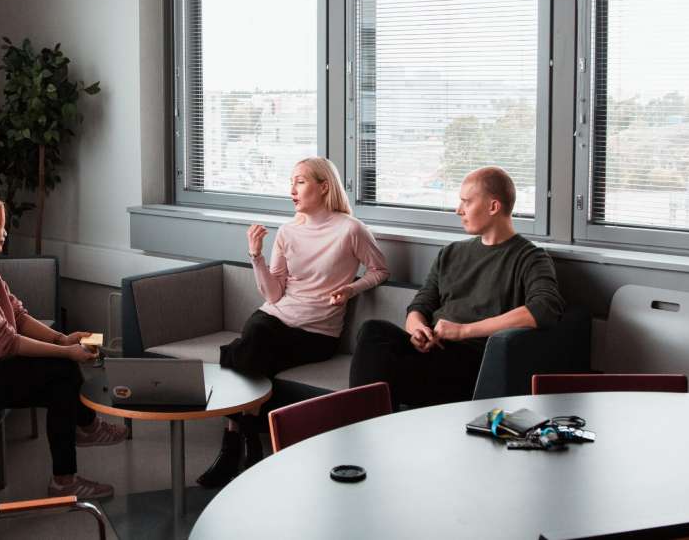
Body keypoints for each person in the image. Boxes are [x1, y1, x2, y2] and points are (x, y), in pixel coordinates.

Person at [198, 157, 390, 488]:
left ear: (324, 186)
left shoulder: (350, 230)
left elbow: (381, 270)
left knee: (238, 352)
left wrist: (351, 289)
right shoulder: (288, 232)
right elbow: (273, 295)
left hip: (317, 333)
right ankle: (245, 442)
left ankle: (234, 447)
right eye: (291, 182)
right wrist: (256, 255)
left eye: (300, 181)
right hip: (276, 318)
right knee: (256, 336)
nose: (292, 190)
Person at [0, 191, 126, 500]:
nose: (5, 231)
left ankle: (70, 464)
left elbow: (16, 315)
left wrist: (61, 339)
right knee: (62, 371)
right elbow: (7, 342)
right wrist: (66, 351)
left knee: (61, 377)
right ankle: (82, 437)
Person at [349, 166, 564, 409]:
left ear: (493, 207)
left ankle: (358, 425)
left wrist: (462, 331)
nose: (458, 210)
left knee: (380, 380)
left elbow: (544, 308)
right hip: (430, 353)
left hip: (470, 362)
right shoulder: (451, 253)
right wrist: (418, 329)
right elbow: (420, 305)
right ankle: (362, 424)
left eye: (466, 202)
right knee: (373, 332)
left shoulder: (530, 258)